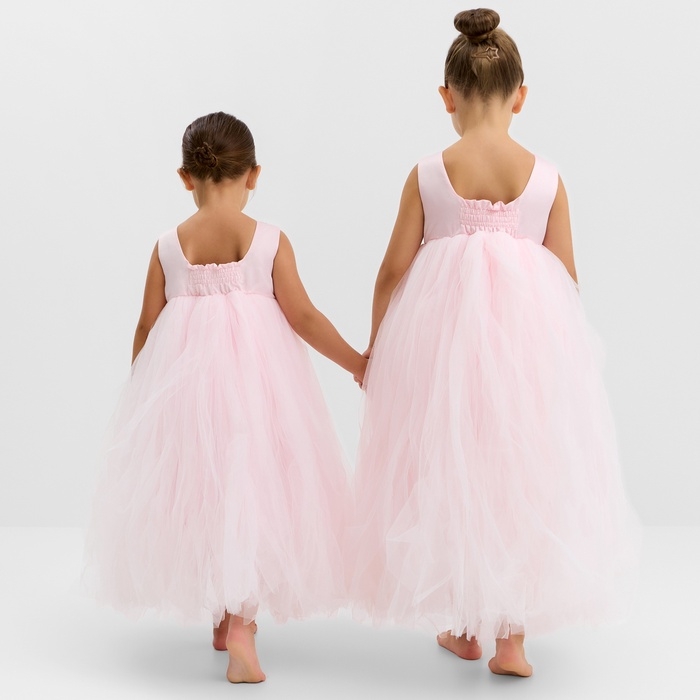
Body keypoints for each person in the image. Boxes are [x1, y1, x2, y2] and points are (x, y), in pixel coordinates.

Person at [351, 9, 640, 677]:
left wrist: (376, 348)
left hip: (438, 349)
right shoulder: (546, 177)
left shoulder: (429, 173)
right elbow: (567, 276)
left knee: (452, 467)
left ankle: (463, 624)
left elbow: (391, 271)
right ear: (520, 96)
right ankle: (511, 637)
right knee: (517, 473)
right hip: (527, 350)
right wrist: (561, 355)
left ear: (446, 96)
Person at [84, 112, 366, 684]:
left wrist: (142, 393)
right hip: (262, 392)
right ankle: (240, 628)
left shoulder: (169, 246)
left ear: (185, 177)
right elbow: (304, 317)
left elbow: (147, 326)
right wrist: (357, 363)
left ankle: (221, 616)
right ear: (253, 175)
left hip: (188, 395)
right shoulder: (268, 240)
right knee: (253, 490)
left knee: (207, 490)